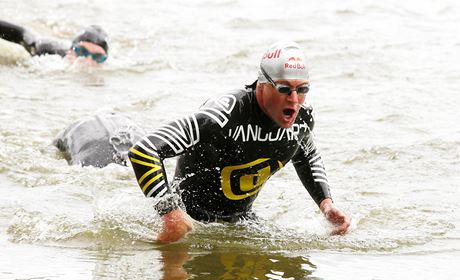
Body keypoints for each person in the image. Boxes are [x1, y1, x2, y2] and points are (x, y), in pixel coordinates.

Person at [128, 41, 351, 243]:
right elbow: (144, 150)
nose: (294, 100)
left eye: (302, 89)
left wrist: (326, 204)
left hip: (241, 222)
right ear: (263, 84)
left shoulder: (301, 120)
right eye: (284, 89)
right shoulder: (222, 117)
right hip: (189, 223)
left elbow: (307, 155)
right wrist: (170, 213)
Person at [53, 113, 144, 168]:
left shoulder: (71, 128)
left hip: (89, 165)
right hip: (137, 161)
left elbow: (53, 147)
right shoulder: (127, 123)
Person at [0, 19, 108, 64]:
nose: (88, 60)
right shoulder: (46, 50)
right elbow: (22, 33)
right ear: (71, 50)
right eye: (82, 51)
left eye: (98, 57)